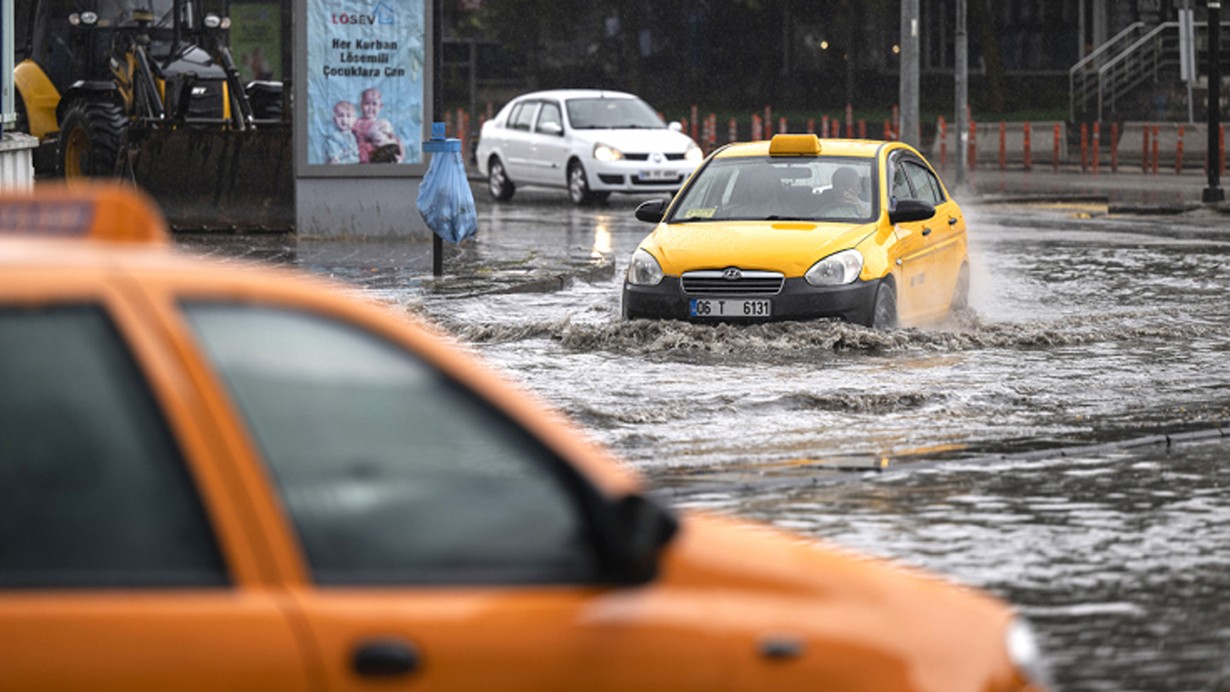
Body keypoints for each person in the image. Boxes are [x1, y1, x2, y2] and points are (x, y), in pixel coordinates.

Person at [353, 87, 404, 163]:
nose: (370, 108)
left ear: (380, 106)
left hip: (382, 151)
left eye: (374, 104)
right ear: (361, 105)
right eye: (367, 103)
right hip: (366, 155)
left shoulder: (382, 123)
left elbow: (395, 139)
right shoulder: (357, 122)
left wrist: (401, 156)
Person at [324, 100, 360, 165]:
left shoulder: (353, 135)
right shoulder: (334, 137)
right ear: (335, 119)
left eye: (348, 116)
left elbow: (355, 154)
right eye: (340, 116)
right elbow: (334, 157)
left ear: (354, 120)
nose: (344, 120)